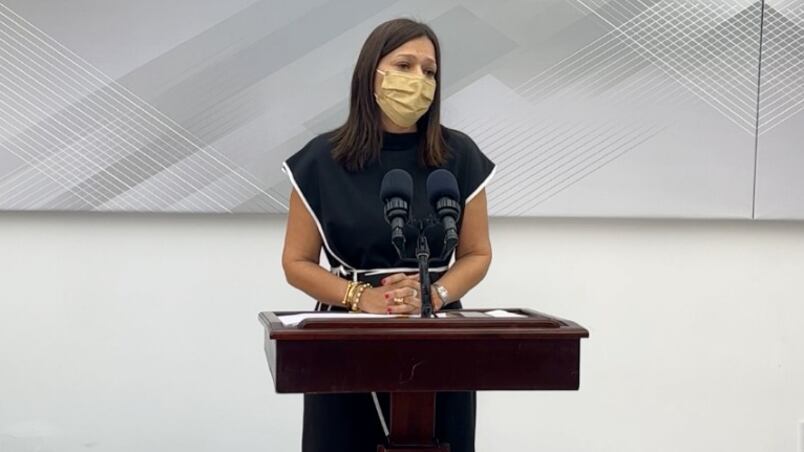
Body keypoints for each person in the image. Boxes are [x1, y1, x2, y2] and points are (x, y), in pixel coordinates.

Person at [281, 18, 495, 452]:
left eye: (429, 71)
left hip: (439, 341)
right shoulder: (321, 159)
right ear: (371, 72)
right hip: (345, 340)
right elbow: (296, 263)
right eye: (404, 65)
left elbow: (477, 253)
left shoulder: (459, 155)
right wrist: (363, 298)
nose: (419, 79)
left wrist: (433, 295)